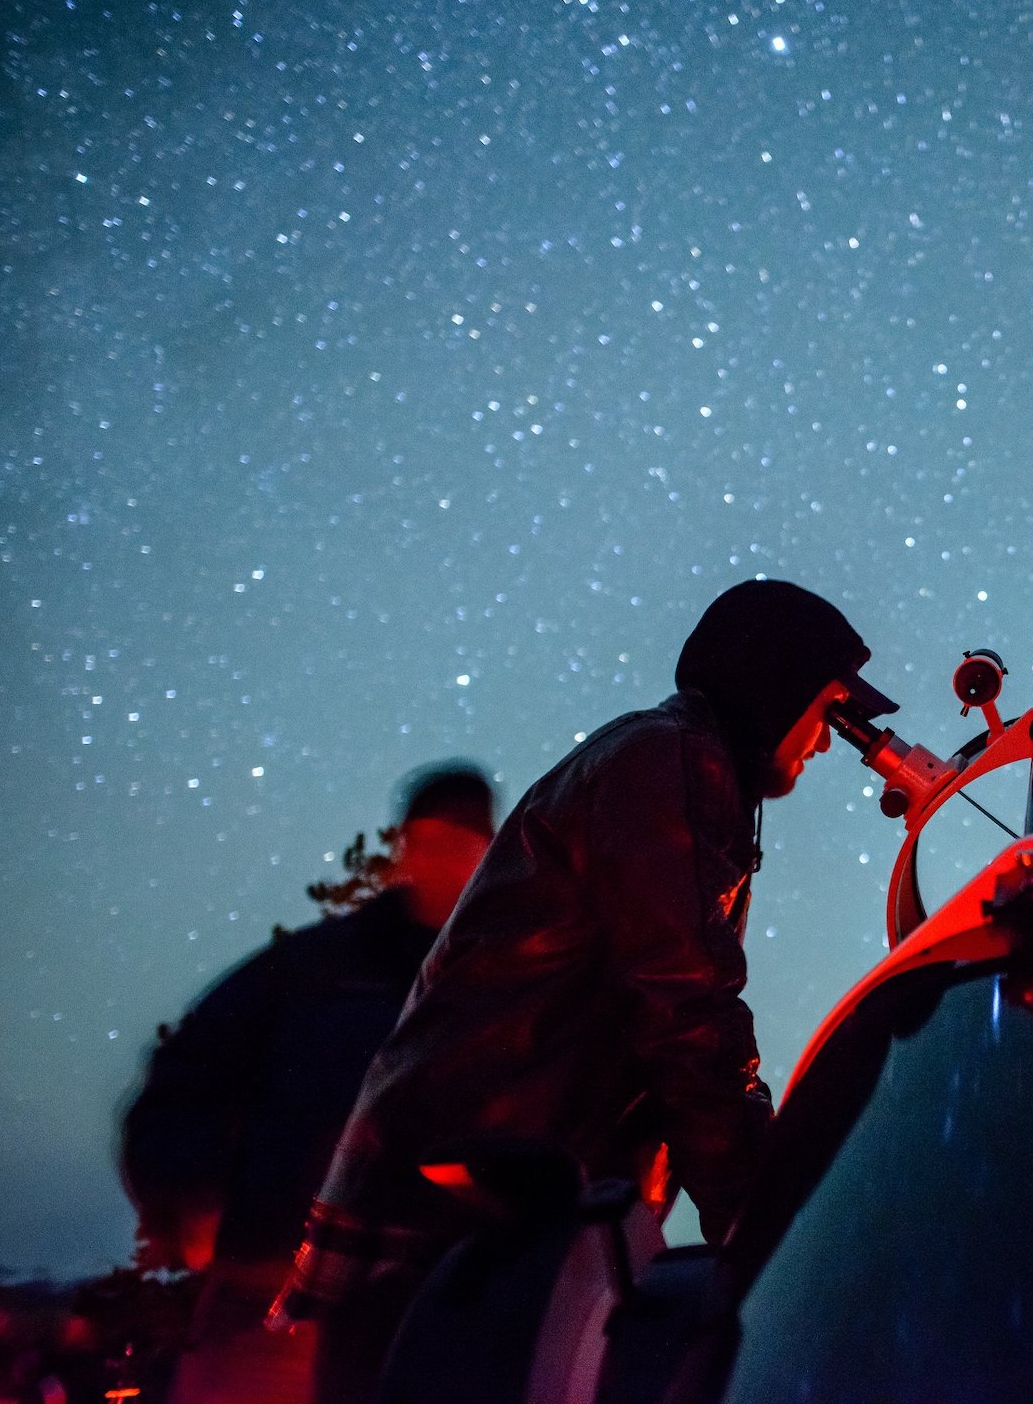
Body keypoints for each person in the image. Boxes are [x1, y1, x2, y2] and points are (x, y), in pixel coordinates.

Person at [273, 579, 892, 1403]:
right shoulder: (672, 763)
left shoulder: (676, 767)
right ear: (774, 684)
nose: (829, 740)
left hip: (484, 1193)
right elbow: (686, 1013)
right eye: (830, 707)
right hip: (462, 1203)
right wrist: (767, 1226)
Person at [119, 764, 497, 1404]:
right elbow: (189, 1070)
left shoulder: (499, 984)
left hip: (434, 1296)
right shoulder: (312, 968)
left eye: (461, 844)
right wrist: (190, 1196)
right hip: (267, 1282)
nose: (439, 859)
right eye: (425, 840)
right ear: (402, 848)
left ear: (487, 856)